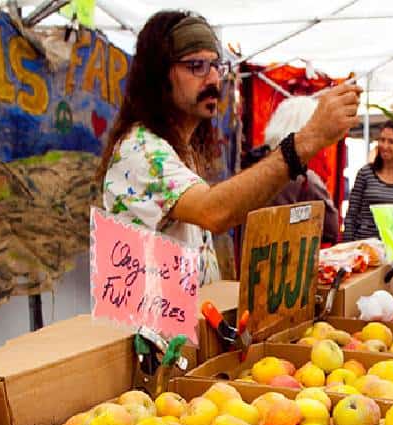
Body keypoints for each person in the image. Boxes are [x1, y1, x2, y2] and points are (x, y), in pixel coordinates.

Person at [98, 11, 360, 284]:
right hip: (150, 325)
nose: (213, 79)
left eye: (215, 66)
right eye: (196, 65)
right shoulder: (142, 150)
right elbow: (213, 212)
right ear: (159, 76)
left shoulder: (178, 148)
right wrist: (306, 140)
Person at [247, 95, 341, 245]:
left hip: (249, 258)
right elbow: (331, 228)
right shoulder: (304, 178)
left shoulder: (252, 164)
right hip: (285, 260)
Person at [342, 122, 393, 241]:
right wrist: (347, 246)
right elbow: (351, 215)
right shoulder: (365, 173)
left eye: (391, 141)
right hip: (364, 249)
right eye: (382, 140)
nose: (384, 145)